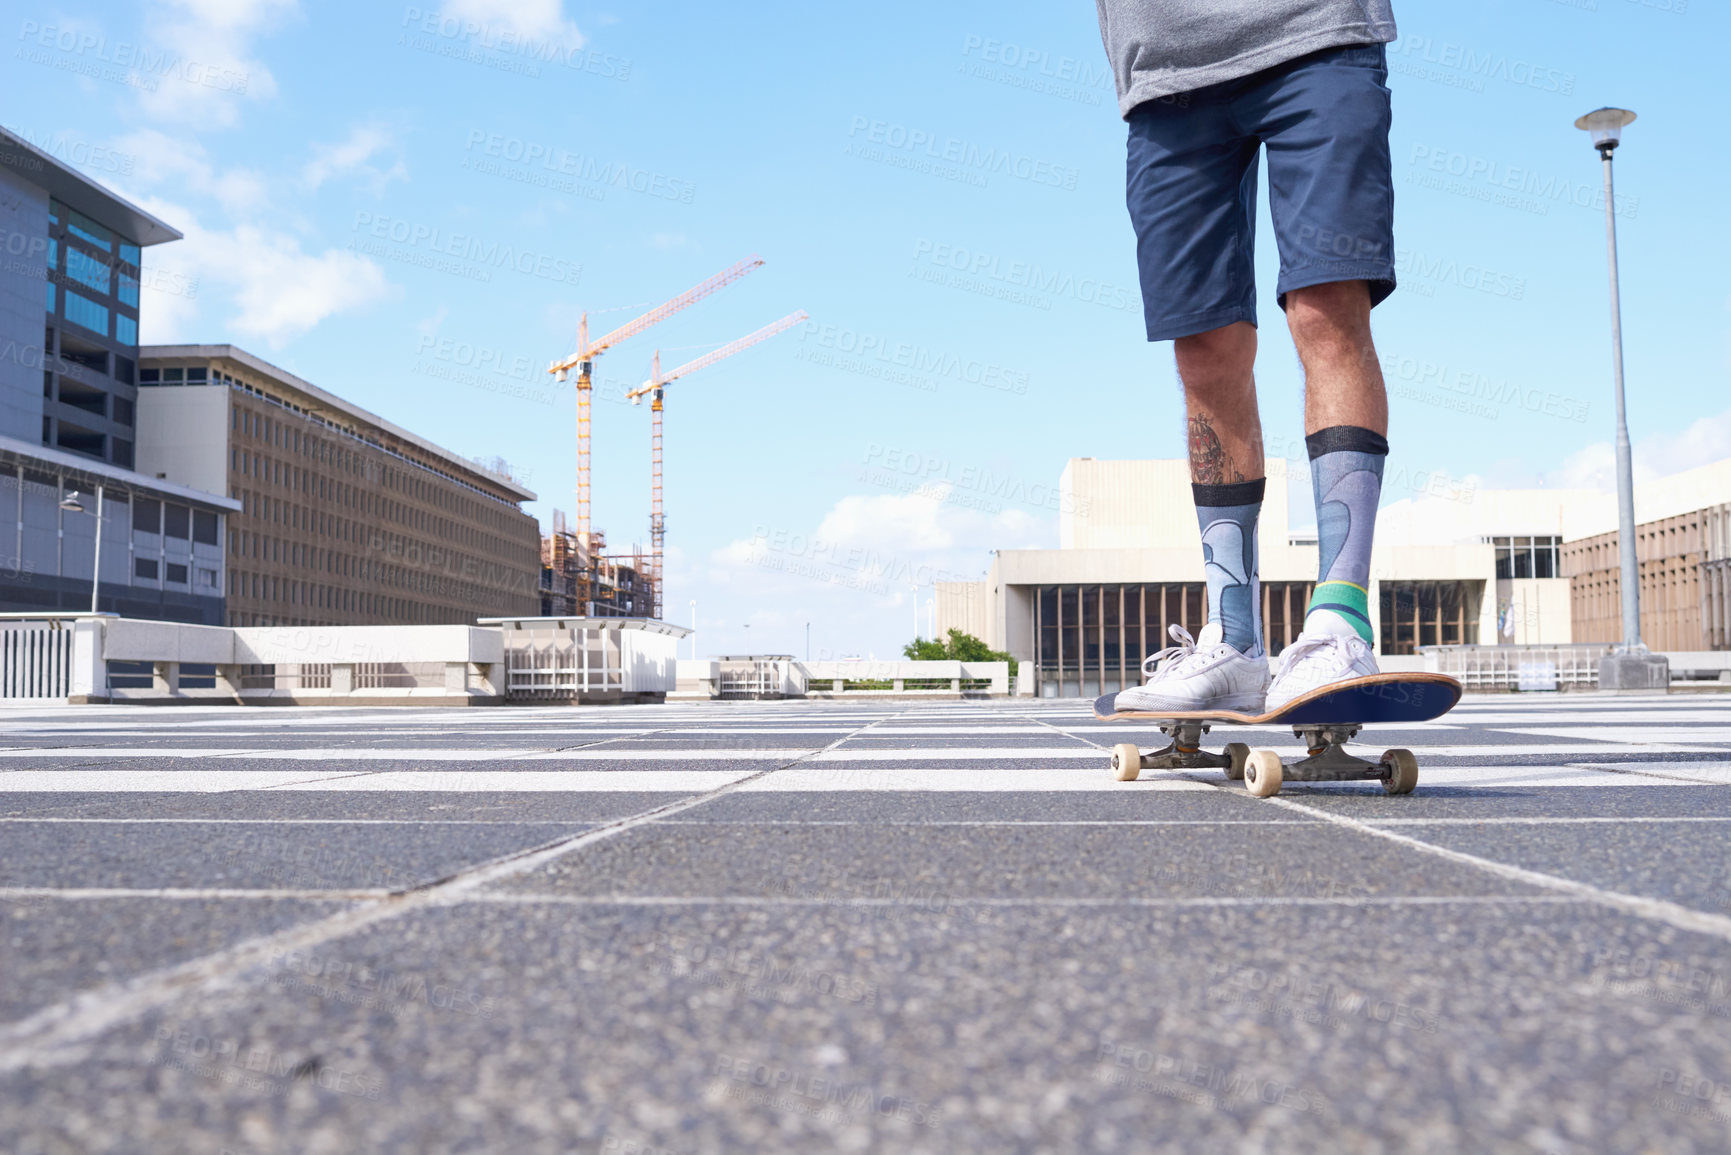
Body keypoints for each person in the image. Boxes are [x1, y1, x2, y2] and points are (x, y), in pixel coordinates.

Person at [1097, 1, 1399, 713]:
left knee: (1324, 308)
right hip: (1164, 67)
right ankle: (1234, 642)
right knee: (1203, 349)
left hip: (1313, 33)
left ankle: (1338, 621)